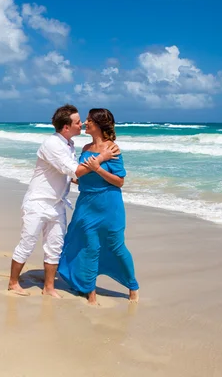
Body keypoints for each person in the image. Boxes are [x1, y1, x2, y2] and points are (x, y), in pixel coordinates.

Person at [7, 104, 119, 298]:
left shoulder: (69, 145)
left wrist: (100, 185)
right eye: (77, 122)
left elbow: (73, 176)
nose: (82, 123)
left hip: (57, 203)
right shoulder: (52, 144)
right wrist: (102, 157)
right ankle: (13, 283)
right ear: (66, 127)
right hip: (38, 202)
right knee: (27, 242)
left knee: (55, 246)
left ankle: (49, 288)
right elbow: (74, 170)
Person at [58, 108, 139, 305]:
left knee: (116, 246)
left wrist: (98, 168)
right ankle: (90, 291)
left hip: (109, 205)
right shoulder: (85, 149)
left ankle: (133, 288)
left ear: (99, 124)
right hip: (86, 203)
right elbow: (82, 177)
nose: (85, 123)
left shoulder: (112, 148)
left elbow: (119, 182)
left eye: (89, 120)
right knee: (89, 246)